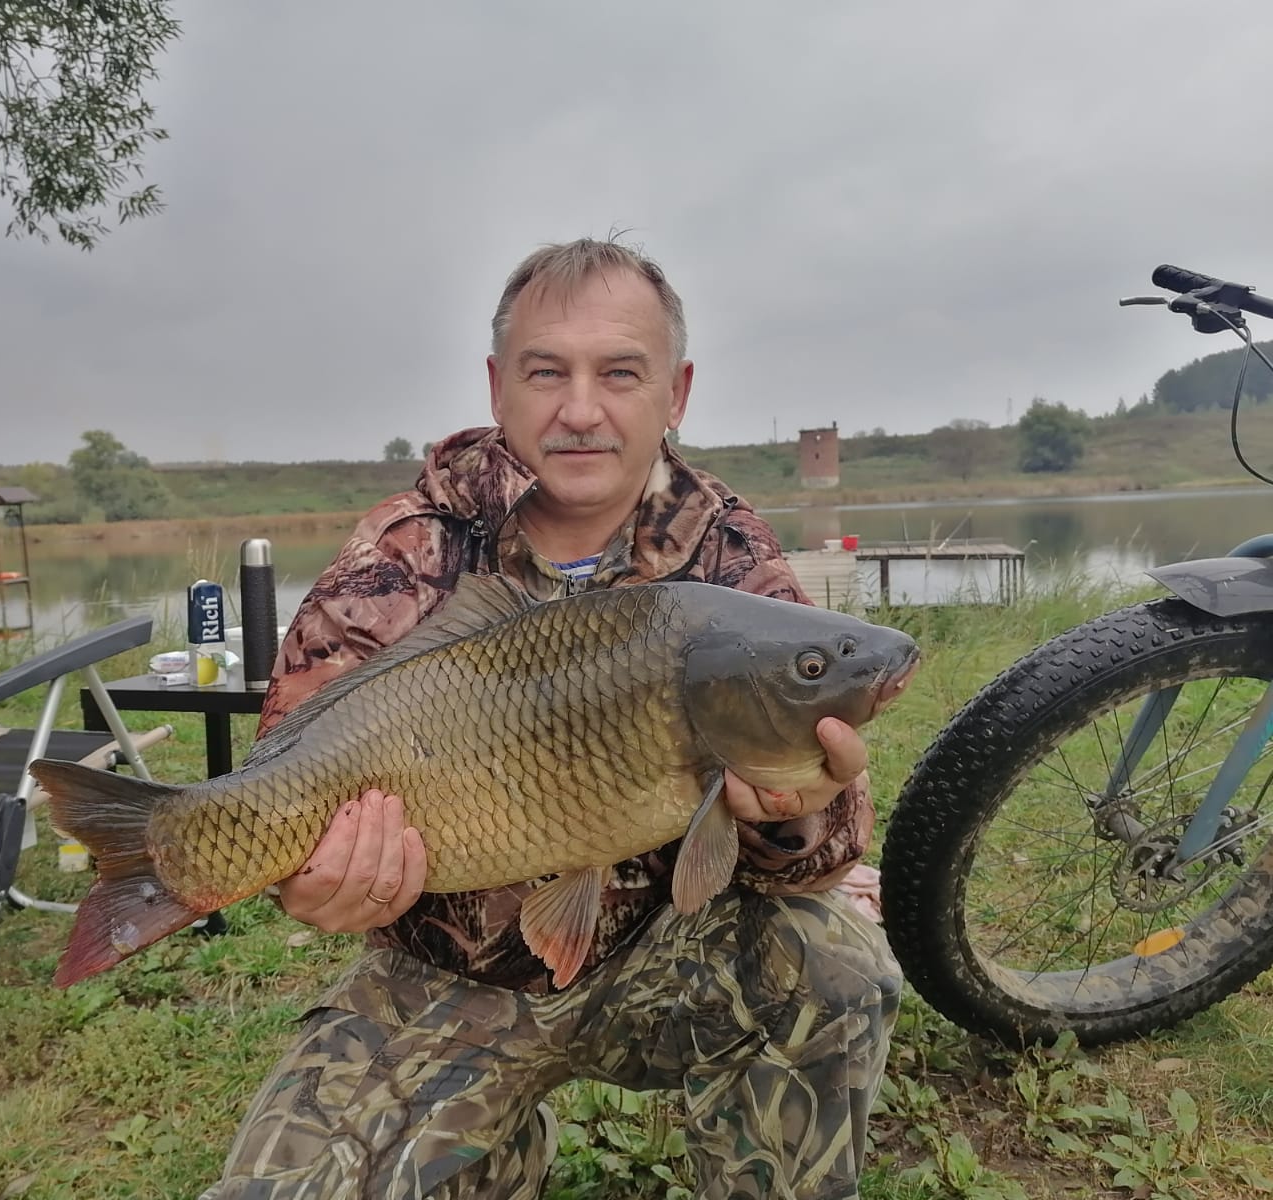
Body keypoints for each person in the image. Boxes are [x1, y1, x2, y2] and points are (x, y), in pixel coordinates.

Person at [201, 237, 901, 1200]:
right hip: (441, 978)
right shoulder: (404, 554)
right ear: (497, 387)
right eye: (546, 372)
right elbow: (288, 771)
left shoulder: (729, 558)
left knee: (836, 964)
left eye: (620, 373)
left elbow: (825, 860)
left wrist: (787, 814)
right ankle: (491, 1152)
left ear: (676, 391)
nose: (581, 410)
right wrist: (305, 878)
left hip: (664, 961)